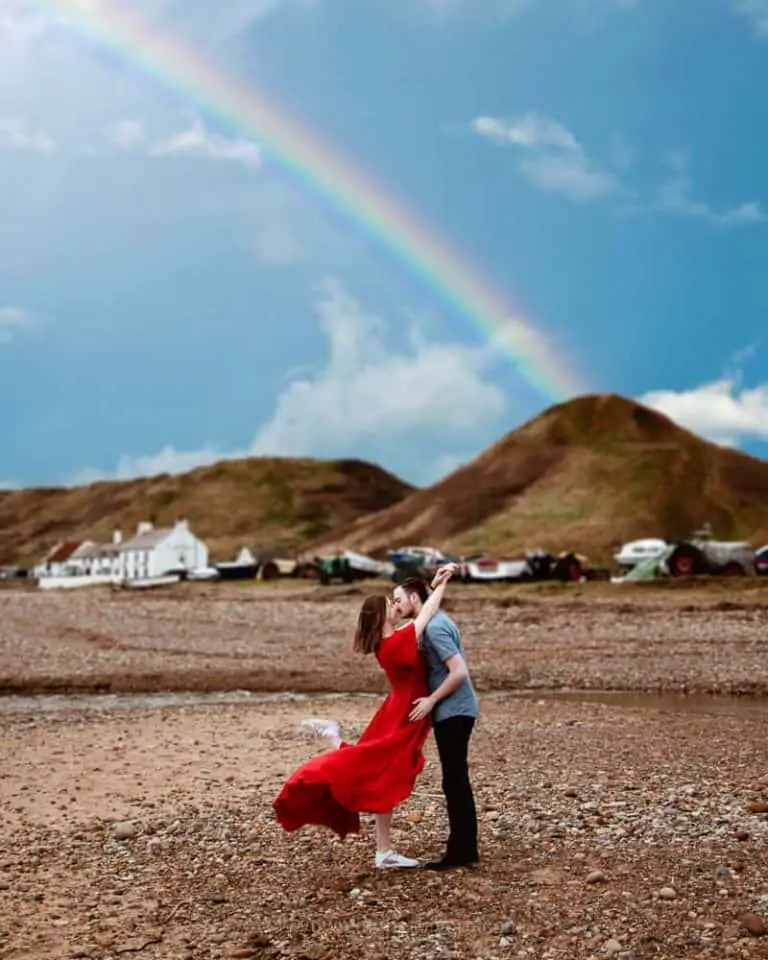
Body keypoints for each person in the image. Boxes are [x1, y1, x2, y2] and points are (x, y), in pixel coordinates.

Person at [273, 563, 458, 869]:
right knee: (382, 774)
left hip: (399, 709)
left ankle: (383, 850)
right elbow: (426, 613)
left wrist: (431, 585)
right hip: (404, 714)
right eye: (390, 604)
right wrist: (442, 583)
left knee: (378, 772)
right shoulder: (397, 642)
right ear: (381, 615)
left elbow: (417, 620)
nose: (395, 605)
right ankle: (383, 850)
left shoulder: (391, 640)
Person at [393, 572, 479, 870]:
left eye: (399, 600)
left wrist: (431, 700)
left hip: (455, 710)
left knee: (455, 781)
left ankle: (462, 851)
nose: (396, 605)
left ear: (415, 598)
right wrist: (442, 578)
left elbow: (458, 672)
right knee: (455, 780)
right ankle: (463, 847)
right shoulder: (435, 620)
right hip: (455, 710)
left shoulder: (435, 629)